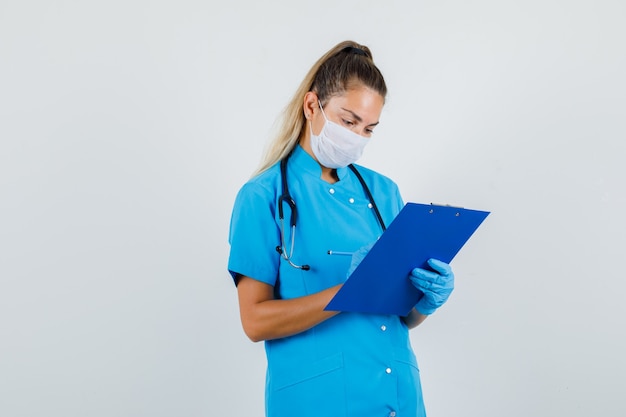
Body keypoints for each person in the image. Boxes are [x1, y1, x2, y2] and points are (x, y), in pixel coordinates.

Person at [227, 40, 455, 417]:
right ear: (312, 105)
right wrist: (348, 291)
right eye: (349, 121)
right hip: (318, 401)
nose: (357, 137)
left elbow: (400, 316)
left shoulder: (385, 193)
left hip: (398, 397)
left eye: (369, 128)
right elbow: (254, 321)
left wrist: (426, 301)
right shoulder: (263, 196)